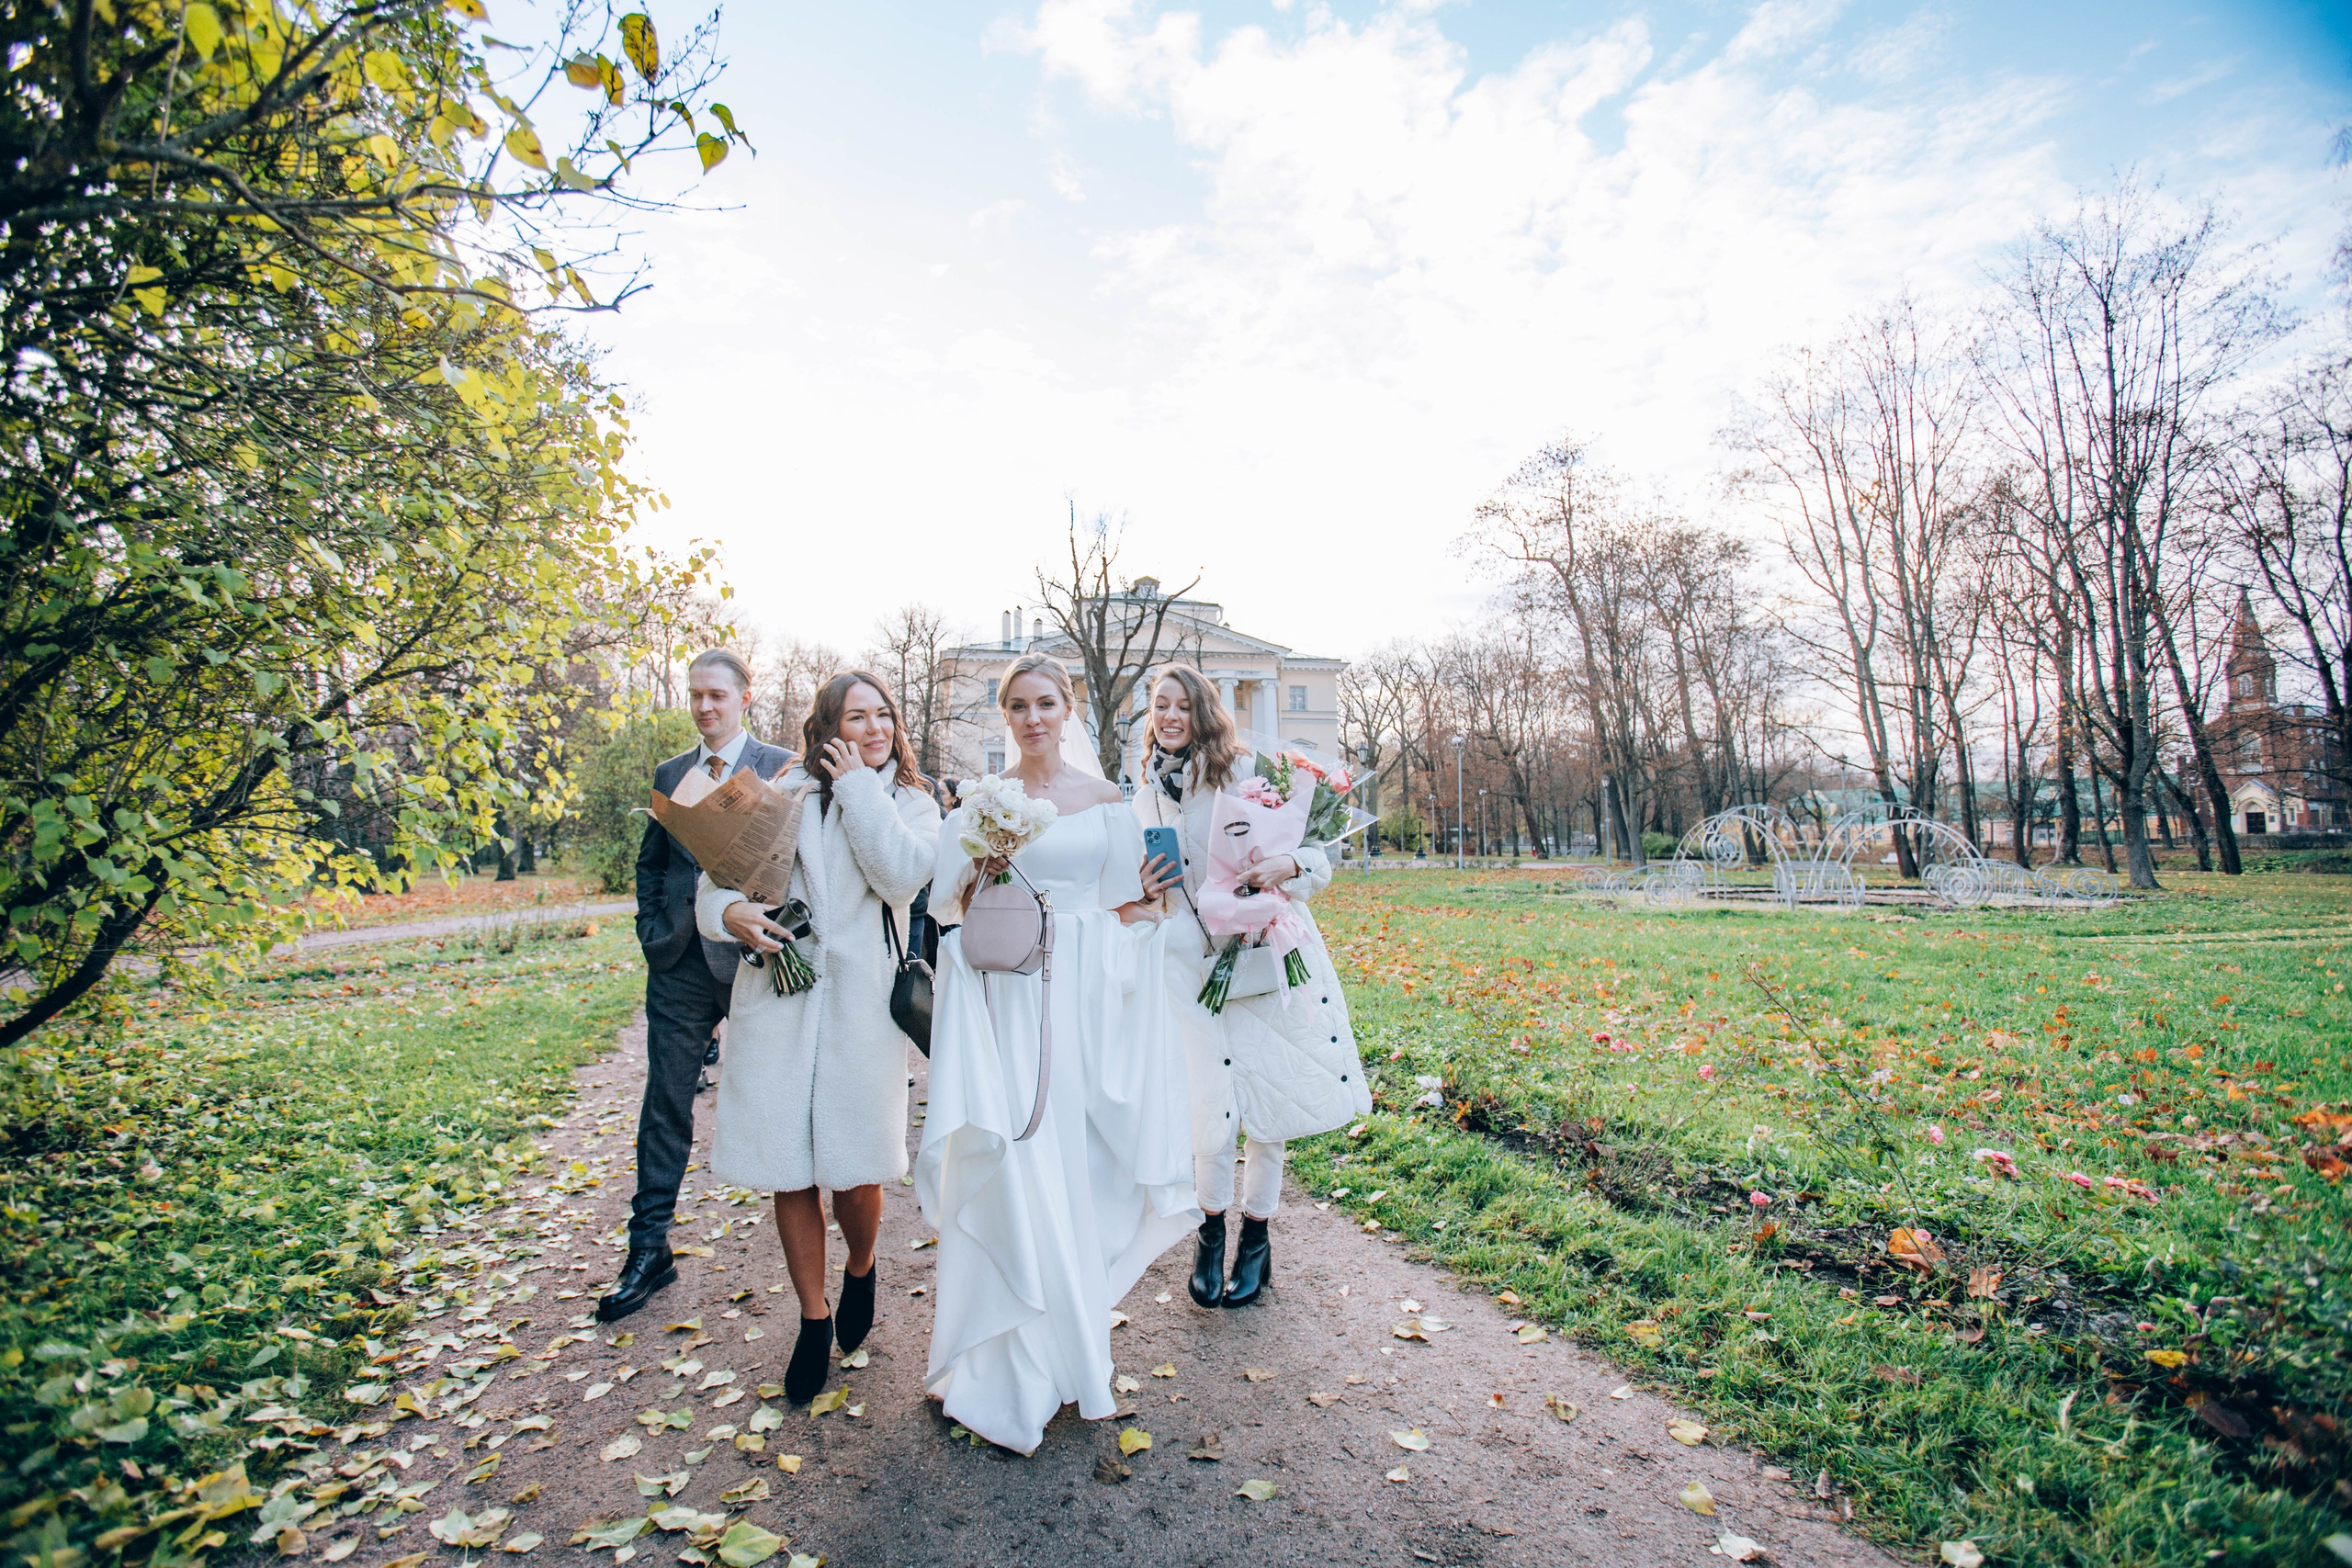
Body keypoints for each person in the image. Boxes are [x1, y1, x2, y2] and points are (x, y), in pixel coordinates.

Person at [915, 652, 1198, 1454]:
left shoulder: (1107, 801)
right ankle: (999, 1363)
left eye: (1045, 703)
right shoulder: (982, 803)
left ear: (1068, 708)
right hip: (1009, 998)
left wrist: (1154, 899)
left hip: (1083, 996)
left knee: (1072, 1164)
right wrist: (982, 868)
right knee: (1015, 1158)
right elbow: (947, 905)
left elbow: (1129, 906)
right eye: (1018, 706)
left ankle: (1065, 1349)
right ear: (1005, 715)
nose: (1032, 717)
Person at [696, 671, 943, 1404]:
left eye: (883, 715)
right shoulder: (783, 791)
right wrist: (732, 914)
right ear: (827, 727)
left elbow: (901, 879)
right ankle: (812, 1316)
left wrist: (861, 789)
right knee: (790, 1169)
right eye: (855, 717)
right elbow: (716, 884)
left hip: (860, 1011)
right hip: (777, 1001)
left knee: (858, 1170)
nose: (874, 728)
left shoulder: (911, 801)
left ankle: (860, 1266)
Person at [1131, 663, 1369, 1310]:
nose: (1171, 716)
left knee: (1268, 1101)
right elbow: (1143, 892)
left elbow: (1314, 856)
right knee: (1208, 1106)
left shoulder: (1245, 771)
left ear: (1204, 710)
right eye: (1161, 705)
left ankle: (1256, 1239)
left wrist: (1286, 863)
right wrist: (1144, 888)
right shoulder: (1146, 794)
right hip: (1190, 966)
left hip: (1260, 952)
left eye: (1183, 705)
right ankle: (1209, 1235)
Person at [601, 650, 795, 1324]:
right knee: (665, 1103)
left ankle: (810, 1262)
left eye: (716, 695)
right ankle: (647, 1249)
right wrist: (651, 927)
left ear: (745, 696)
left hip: (757, 961)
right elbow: (651, 863)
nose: (704, 707)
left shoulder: (782, 767)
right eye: (695, 696)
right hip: (680, 961)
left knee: (781, 1097)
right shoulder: (670, 773)